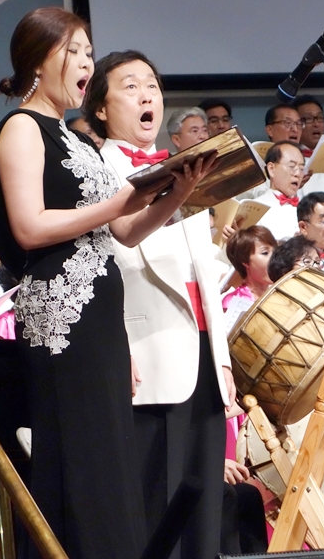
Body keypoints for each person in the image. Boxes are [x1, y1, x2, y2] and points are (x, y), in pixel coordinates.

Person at [0, 8, 213, 558]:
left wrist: (180, 192)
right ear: (38, 61)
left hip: (101, 319)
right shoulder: (22, 128)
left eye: (89, 52)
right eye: (74, 52)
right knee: (80, 458)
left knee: (110, 461)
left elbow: (126, 232)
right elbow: (28, 227)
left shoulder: (80, 141)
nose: (86, 63)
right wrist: (122, 200)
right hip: (61, 317)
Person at [84, 48, 232, 559]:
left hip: (203, 351)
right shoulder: (95, 169)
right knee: (155, 506)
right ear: (100, 107)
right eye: (130, 86)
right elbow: (101, 267)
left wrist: (222, 356)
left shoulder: (185, 165)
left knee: (205, 507)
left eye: (151, 84)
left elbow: (203, 270)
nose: (147, 94)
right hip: (145, 353)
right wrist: (113, 346)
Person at [250, 141, 304, 241]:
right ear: (271, 169)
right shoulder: (256, 210)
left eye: (301, 168)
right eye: (292, 166)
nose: (297, 174)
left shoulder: (308, 209)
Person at [221, 225, 277, 309]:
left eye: (275, 251)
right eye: (265, 253)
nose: (275, 257)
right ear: (245, 261)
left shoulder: (281, 294)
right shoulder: (232, 303)